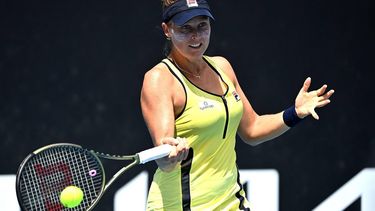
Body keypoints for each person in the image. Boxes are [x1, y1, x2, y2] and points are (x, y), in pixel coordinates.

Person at [140, 0, 335, 210]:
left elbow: (252, 129)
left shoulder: (222, 67)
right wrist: (170, 155)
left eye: (202, 26)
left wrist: (295, 113)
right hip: (181, 205)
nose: (196, 36)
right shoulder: (159, 79)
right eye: (185, 28)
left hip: (231, 201)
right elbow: (164, 156)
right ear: (167, 30)